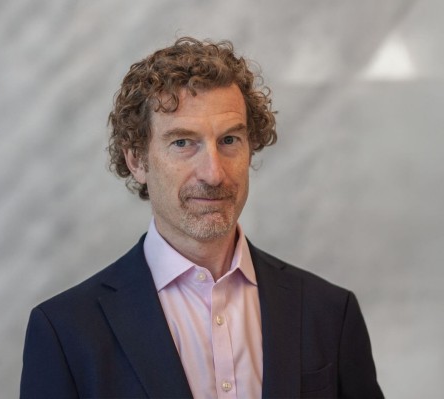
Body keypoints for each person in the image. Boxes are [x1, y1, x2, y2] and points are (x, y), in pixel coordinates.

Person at [20, 37, 384, 399]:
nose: (213, 173)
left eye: (229, 140)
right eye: (182, 142)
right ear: (136, 160)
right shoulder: (66, 332)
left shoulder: (330, 312)